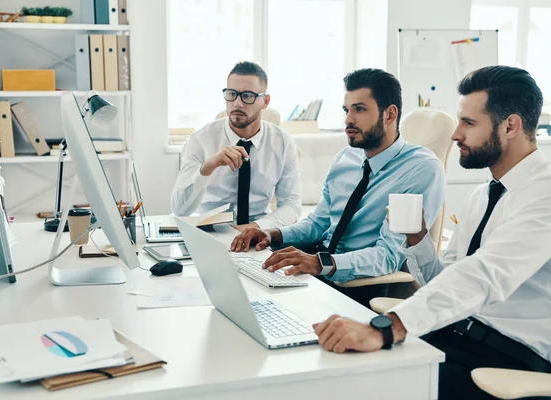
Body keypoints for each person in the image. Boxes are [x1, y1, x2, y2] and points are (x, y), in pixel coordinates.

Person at [312, 66, 551, 400]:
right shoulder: (480, 197)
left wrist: (389, 327)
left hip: (508, 359)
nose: (455, 135)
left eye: (468, 123)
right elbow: (445, 280)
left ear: (510, 125)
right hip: (454, 336)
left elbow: (485, 275)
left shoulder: (544, 192)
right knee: (331, 368)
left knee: (366, 387)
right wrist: (417, 240)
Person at [231, 68, 446, 306]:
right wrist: (273, 235)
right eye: (347, 110)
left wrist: (320, 263)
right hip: (318, 265)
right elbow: (319, 223)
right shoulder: (347, 158)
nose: (348, 120)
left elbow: (388, 256)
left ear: (389, 114)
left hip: (355, 284)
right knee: (240, 291)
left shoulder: (421, 169)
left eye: (360, 109)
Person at [171, 61, 301, 231]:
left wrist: (255, 228)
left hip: (259, 233)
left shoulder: (283, 143)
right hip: (208, 233)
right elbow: (180, 209)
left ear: (265, 101)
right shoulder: (200, 140)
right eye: (232, 94)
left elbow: (291, 205)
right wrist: (208, 166)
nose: (237, 103)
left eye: (247, 96)